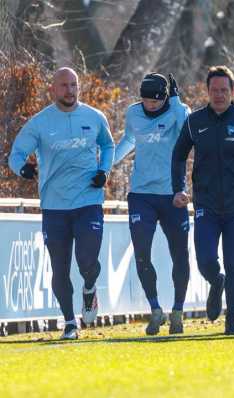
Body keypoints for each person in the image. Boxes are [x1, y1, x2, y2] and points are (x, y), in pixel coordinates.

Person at [9, 67, 115, 340]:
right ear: (53, 90)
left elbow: (108, 145)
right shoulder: (40, 123)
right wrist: (23, 169)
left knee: (87, 260)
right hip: (55, 205)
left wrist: (104, 170)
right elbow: (16, 153)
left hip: (88, 200)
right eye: (64, 86)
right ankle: (69, 322)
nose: (70, 91)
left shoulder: (94, 117)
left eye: (74, 85)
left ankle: (89, 287)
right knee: (60, 266)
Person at [172, 66, 234, 335]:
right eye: (214, 90)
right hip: (206, 202)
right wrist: (178, 188)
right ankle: (215, 282)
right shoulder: (195, 122)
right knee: (205, 259)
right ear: (207, 91)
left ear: (233, 91)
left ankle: (233, 320)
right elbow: (178, 155)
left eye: (224, 90)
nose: (219, 95)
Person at [113, 73, 191, 335]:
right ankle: (155, 309)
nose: (150, 106)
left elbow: (186, 134)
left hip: (172, 194)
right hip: (142, 195)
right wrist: (108, 162)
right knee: (142, 252)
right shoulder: (134, 113)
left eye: (155, 102)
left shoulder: (179, 111)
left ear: (166, 98)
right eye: (146, 101)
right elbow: (129, 140)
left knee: (179, 254)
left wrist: (178, 102)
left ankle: (178, 311)